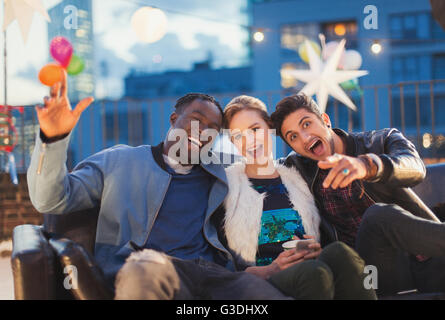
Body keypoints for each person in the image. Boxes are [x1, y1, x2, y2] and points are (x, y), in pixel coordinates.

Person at [27, 70, 292, 300]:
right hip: (148, 268)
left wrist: (332, 149)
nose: (203, 132)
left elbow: (274, 168)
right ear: (173, 119)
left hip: (213, 274)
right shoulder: (118, 161)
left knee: (260, 292)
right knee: (143, 272)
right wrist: (53, 138)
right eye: (196, 120)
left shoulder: (222, 168)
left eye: (213, 129)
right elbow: (51, 199)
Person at [270, 93, 445, 295]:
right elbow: (256, 172)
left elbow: (415, 168)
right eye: (293, 137)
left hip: (427, 257)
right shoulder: (298, 169)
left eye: (306, 124)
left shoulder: (381, 141)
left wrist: (368, 166)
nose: (305, 138)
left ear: (325, 120)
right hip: (372, 275)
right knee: (375, 219)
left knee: (378, 216)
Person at [220, 95, 376, 300]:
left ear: (270, 128)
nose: (249, 141)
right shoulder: (226, 188)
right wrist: (268, 269)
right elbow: (216, 256)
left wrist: (314, 247)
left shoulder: (298, 177)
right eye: (238, 136)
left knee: (340, 252)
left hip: (309, 267)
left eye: (255, 129)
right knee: (313, 274)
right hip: (263, 280)